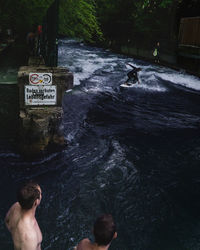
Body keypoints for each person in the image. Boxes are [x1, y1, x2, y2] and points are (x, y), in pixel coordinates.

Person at [5, 181, 42, 250]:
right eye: (40, 194)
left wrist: (16, 236)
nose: (41, 195)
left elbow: (7, 221)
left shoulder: (16, 206)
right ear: (36, 202)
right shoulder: (30, 237)